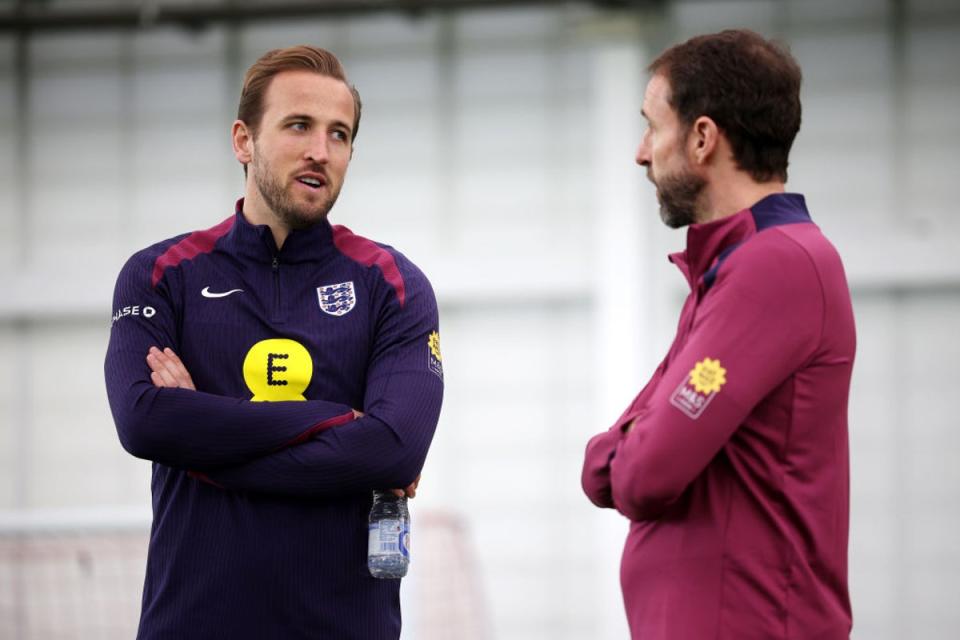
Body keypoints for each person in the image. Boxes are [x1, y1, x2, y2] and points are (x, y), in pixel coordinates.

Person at [104, 46, 444, 640]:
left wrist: (203, 443)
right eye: (299, 126)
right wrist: (338, 419)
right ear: (244, 140)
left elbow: (393, 450)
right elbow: (143, 423)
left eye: (339, 135)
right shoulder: (160, 273)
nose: (320, 150)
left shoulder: (393, 282)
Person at [581, 30, 855, 639]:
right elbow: (613, 465)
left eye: (653, 126)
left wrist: (614, 450)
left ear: (703, 138)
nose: (641, 152)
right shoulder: (736, 267)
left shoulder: (773, 267)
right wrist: (616, 453)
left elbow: (641, 472)